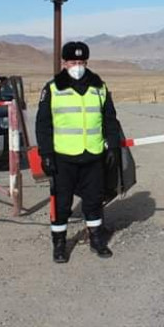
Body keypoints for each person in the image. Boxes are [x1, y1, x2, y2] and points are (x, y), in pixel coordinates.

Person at [36, 41, 121, 263]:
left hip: (93, 154)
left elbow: (110, 119)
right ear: (64, 63)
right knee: (62, 204)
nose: (78, 66)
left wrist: (112, 146)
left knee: (93, 200)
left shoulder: (99, 87)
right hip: (63, 157)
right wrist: (46, 154)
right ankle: (59, 244)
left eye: (82, 62)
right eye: (73, 62)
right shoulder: (52, 88)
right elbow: (43, 124)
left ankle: (96, 239)